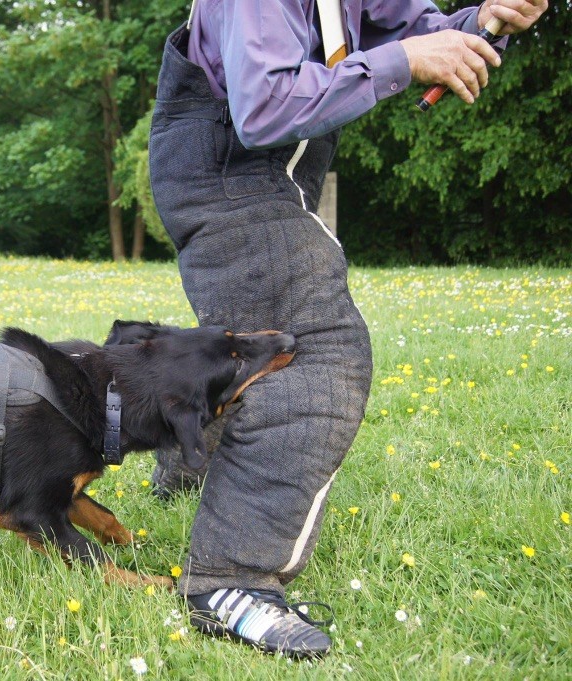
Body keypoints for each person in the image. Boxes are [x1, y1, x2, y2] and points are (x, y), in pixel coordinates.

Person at [148, 0, 547, 659]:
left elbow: (416, 28)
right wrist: (406, 62)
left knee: (251, 338)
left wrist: (481, 21)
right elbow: (264, 106)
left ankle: (185, 458)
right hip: (228, 174)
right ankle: (228, 579)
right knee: (317, 352)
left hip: (262, 175)